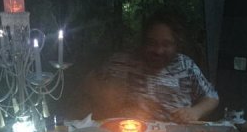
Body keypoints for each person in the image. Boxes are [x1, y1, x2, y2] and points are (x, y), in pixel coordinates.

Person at [69, 8, 219, 123]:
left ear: (177, 44)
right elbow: (88, 82)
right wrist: (103, 100)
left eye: (166, 44)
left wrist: (195, 112)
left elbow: (212, 97)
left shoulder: (186, 65)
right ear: (143, 41)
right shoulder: (120, 61)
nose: (158, 51)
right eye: (152, 43)